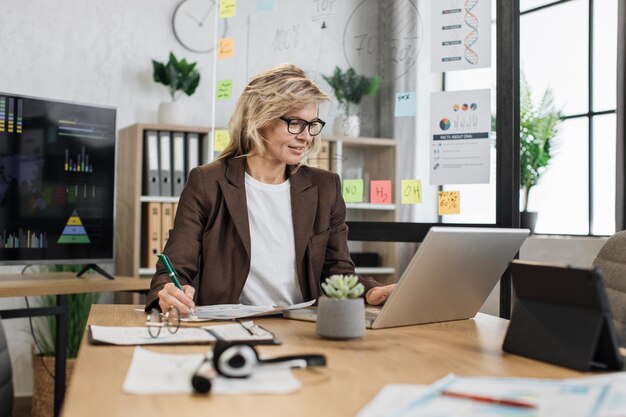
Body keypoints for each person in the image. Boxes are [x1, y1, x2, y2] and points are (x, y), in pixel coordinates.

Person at [145, 63, 395, 315]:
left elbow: (338, 272)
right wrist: (168, 292)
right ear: (260, 119)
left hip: (302, 325)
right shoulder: (207, 183)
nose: (306, 137)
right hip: (231, 325)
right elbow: (174, 268)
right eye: (295, 123)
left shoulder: (325, 187)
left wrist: (370, 291)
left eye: (312, 125)